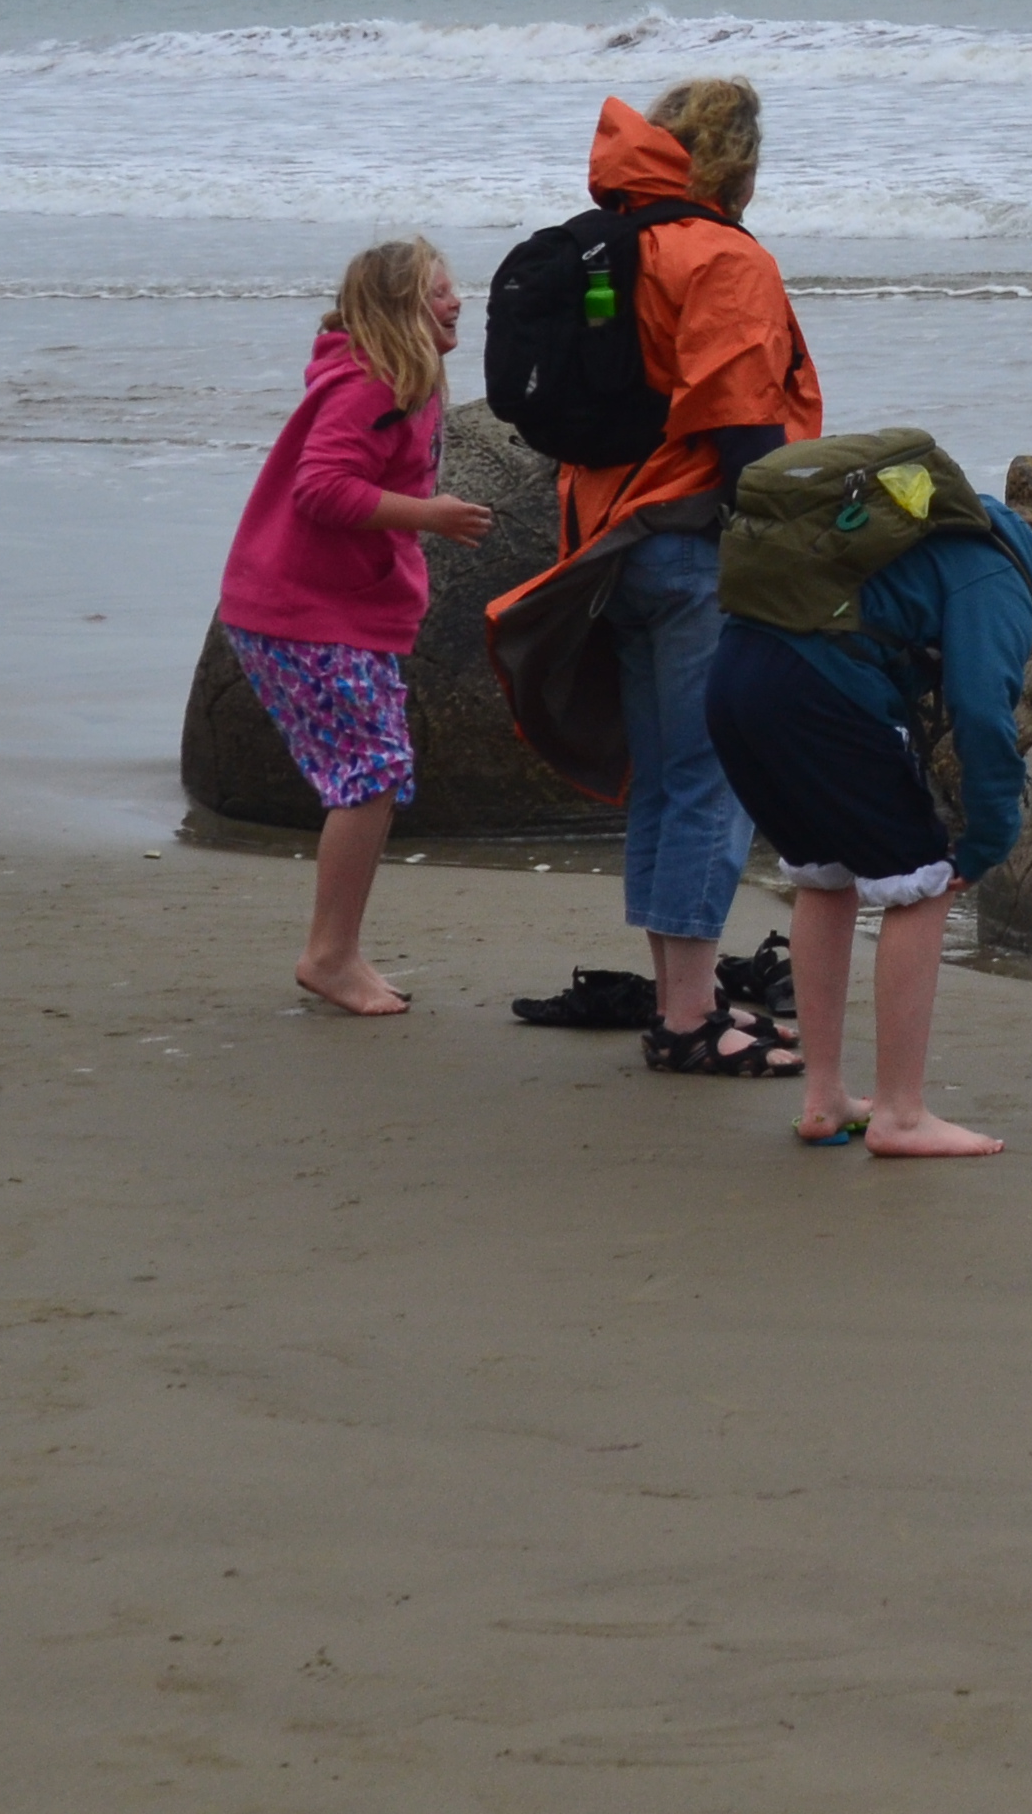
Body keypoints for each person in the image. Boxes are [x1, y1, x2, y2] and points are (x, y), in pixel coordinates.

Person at [705, 477, 1032, 1158]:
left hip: (736, 679)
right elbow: (981, 714)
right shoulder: (1004, 575)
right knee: (922, 882)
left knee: (824, 877)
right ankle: (901, 1116)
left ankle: (824, 1097)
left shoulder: (934, 538)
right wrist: (985, 842)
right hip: (818, 691)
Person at [559, 79, 826, 1073]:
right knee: (711, 779)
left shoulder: (615, 245)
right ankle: (685, 1020)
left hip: (612, 542)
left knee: (665, 779)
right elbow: (747, 437)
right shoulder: (722, 255)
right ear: (738, 162)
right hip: (692, 547)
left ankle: (687, 996)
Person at [216, 240, 494, 1015]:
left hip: (334, 608)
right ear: (398, 308)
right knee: (369, 775)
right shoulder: (371, 384)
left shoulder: (404, 381)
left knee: (375, 772)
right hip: (300, 612)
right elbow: (320, 489)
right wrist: (428, 516)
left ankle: (337, 949)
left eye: (454, 289)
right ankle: (330, 955)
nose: (456, 302)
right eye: (439, 292)